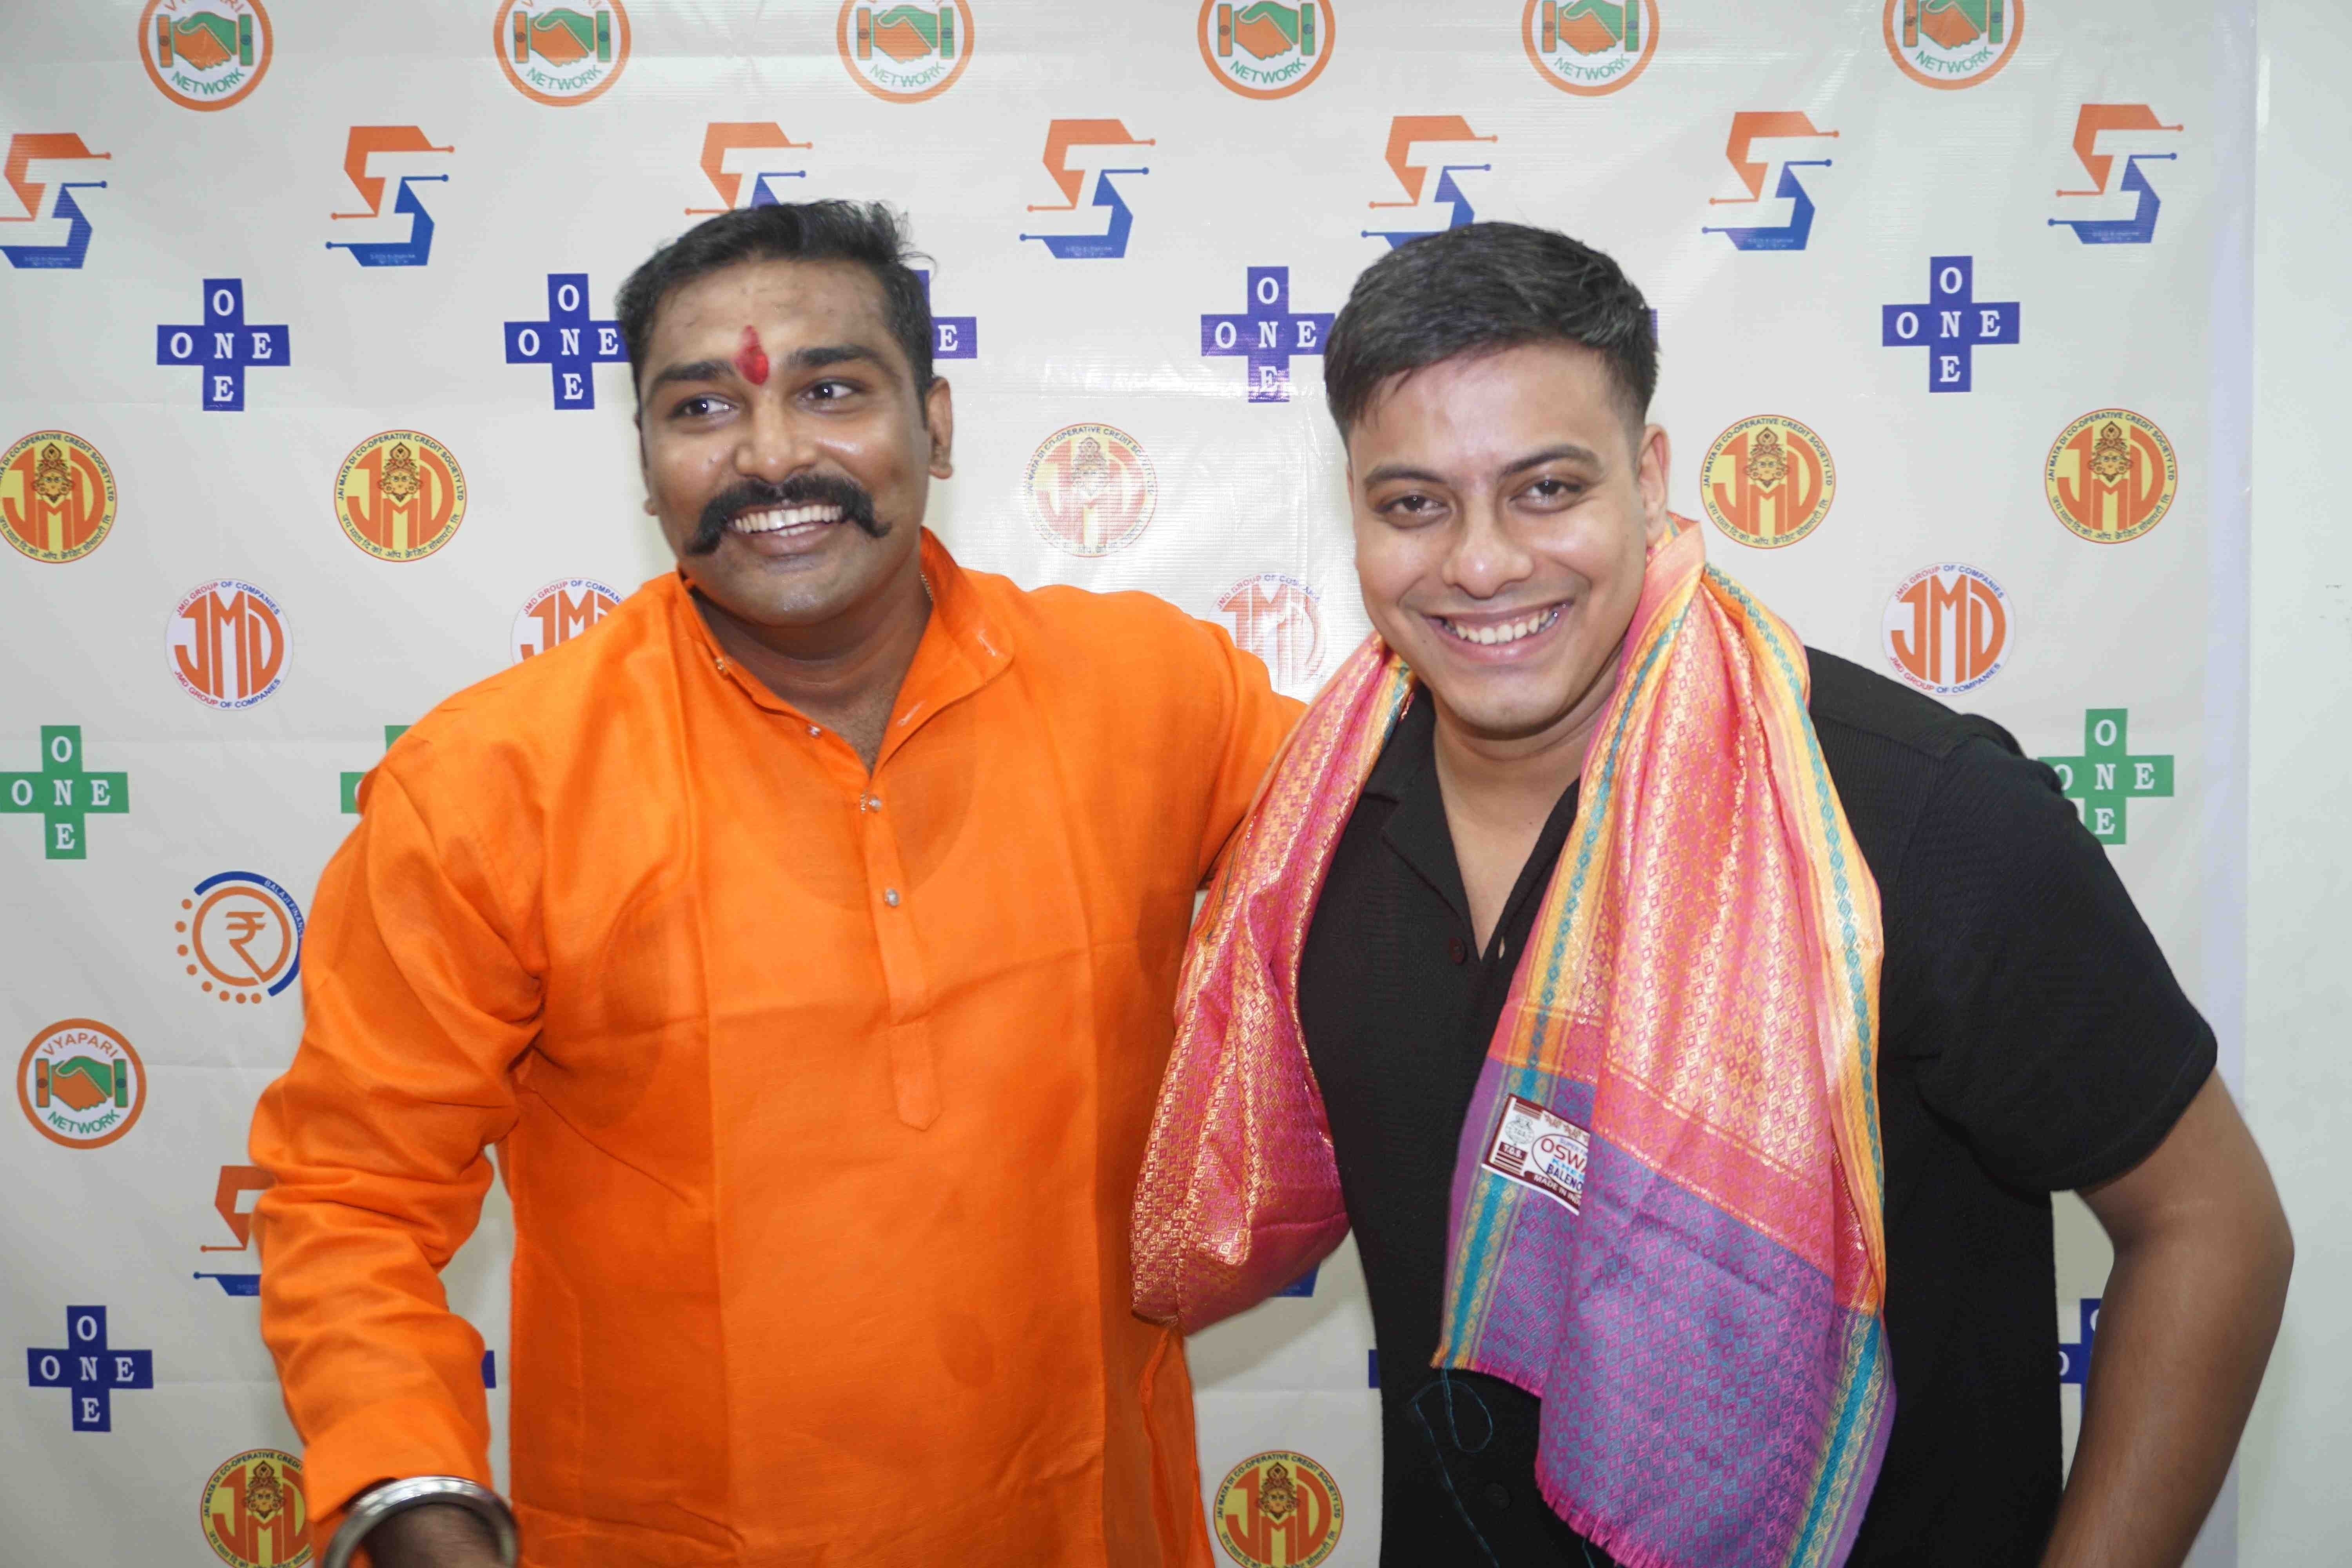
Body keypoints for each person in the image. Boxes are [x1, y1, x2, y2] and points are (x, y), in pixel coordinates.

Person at [1133, 223, 2292, 1568]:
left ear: (1649, 477)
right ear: (1357, 512)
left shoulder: (1909, 814)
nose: (1484, 563)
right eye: (1415, 505)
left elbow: (2214, 1228)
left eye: (1546, 488)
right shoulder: (1312, 834)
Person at [250, 201, 1298, 1568]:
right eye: (700, 409)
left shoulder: (1156, 693)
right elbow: (351, 1197)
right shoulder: (495, 783)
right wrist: (407, 1491)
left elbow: (1414, 856)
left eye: (833, 391)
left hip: (1087, 1522)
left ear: (936, 424)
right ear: (645, 467)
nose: (771, 455)